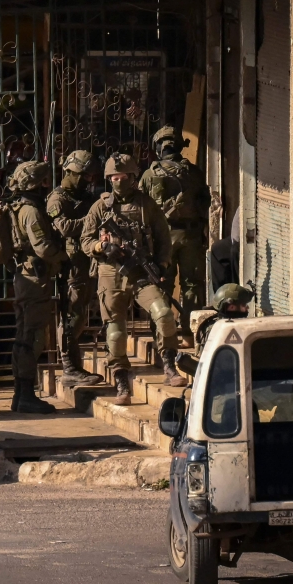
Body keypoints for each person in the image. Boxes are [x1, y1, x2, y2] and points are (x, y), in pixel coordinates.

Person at [81, 153, 186, 405]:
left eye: (123, 177)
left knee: (163, 314)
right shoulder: (99, 207)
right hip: (111, 273)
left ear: (132, 177)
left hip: (140, 272)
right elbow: (85, 241)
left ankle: (170, 366)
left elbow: (163, 237)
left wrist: (161, 264)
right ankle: (121, 381)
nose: (118, 181)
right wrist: (101, 247)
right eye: (114, 177)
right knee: (116, 333)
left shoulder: (146, 204)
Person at [139, 126, 211, 344]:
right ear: (180, 145)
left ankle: (163, 335)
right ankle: (191, 333)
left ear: (158, 147)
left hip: (163, 239)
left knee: (162, 284)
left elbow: (141, 209)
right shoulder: (194, 172)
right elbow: (206, 202)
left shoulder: (149, 175)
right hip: (190, 236)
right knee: (192, 285)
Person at [8, 161, 67, 414]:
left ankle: (21, 395)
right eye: (43, 181)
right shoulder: (30, 210)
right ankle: (25, 395)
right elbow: (42, 246)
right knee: (32, 337)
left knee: (25, 335)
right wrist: (64, 256)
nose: (46, 186)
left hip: (26, 278)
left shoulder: (20, 205)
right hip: (33, 279)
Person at [46, 150, 104, 387]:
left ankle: (74, 366)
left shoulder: (86, 197)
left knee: (80, 314)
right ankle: (69, 367)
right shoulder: (57, 199)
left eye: (89, 176)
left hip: (86, 262)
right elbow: (65, 228)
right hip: (71, 267)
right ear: (68, 172)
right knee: (71, 316)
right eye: (82, 175)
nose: (85, 180)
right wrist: (93, 219)